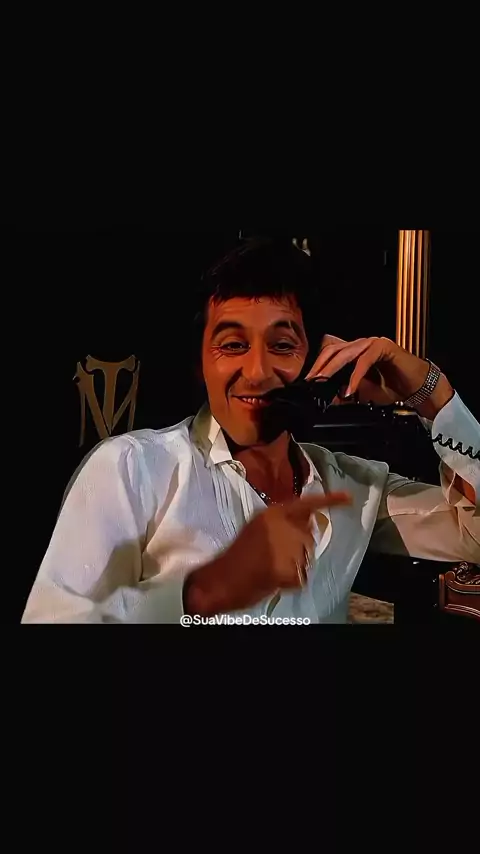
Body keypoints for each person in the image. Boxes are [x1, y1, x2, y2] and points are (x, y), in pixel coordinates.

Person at [22, 238, 479, 623]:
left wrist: (430, 392)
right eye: (232, 344)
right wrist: (201, 592)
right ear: (201, 363)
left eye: (282, 345)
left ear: (317, 361)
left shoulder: (353, 490)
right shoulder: (130, 469)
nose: (257, 372)